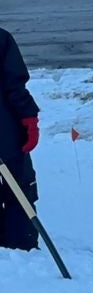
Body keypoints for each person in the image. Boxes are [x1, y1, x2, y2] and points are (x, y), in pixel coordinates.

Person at [0, 27, 39, 251]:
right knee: (19, 190)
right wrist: (28, 116)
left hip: (7, 133)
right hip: (7, 134)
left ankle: (20, 246)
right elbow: (15, 85)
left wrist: (28, 117)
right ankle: (22, 247)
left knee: (19, 190)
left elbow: (15, 85)